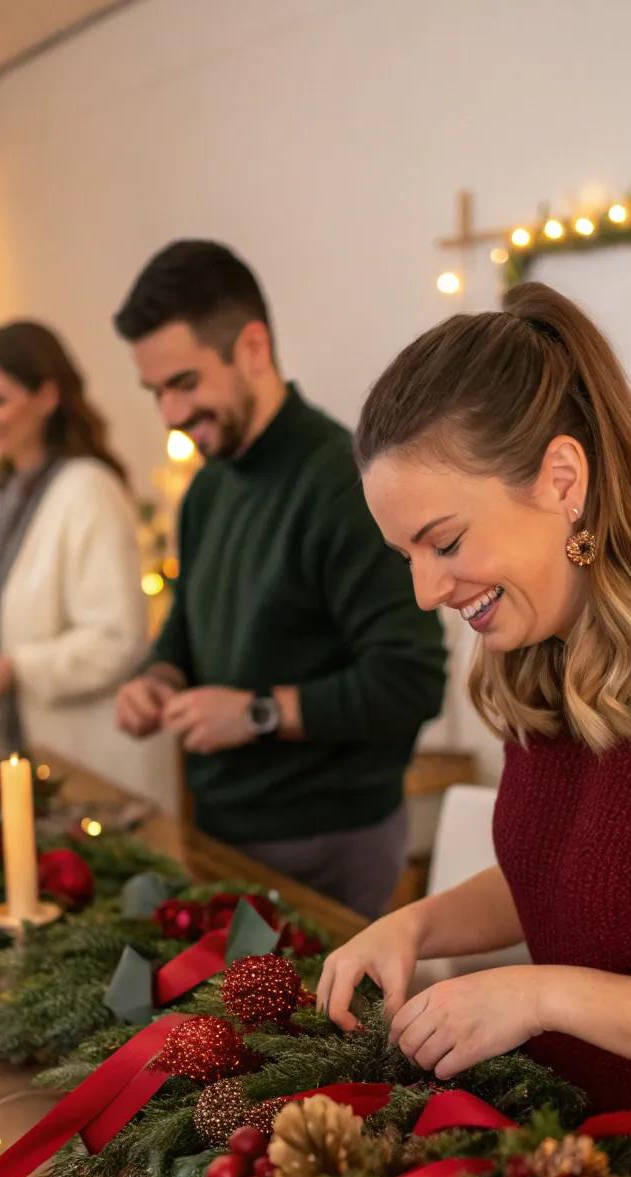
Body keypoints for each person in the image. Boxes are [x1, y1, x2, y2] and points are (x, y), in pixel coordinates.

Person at [317, 281, 631, 1177]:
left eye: (445, 541)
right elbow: (581, 868)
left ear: (562, 480)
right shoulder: (546, 650)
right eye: (407, 557)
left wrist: (544, 995)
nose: (427, 589)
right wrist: (417, 922)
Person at [111, 241, 447, 917]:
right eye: (155, 392)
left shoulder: (343, 482)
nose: (170, 415)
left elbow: (411, 679)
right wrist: (159, 678)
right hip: (224, 835)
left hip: (330, 846)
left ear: (253, 348)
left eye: (185, 383)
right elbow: (188, 626)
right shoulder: (208, 487)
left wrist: (257, 712)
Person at [0, 321, 148, 787]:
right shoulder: (9, 492)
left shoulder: (90, 491)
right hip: (33, 752)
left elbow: (116, 640)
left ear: (48, 397)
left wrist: (15, 669)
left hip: (93, 763)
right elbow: (3, 601)